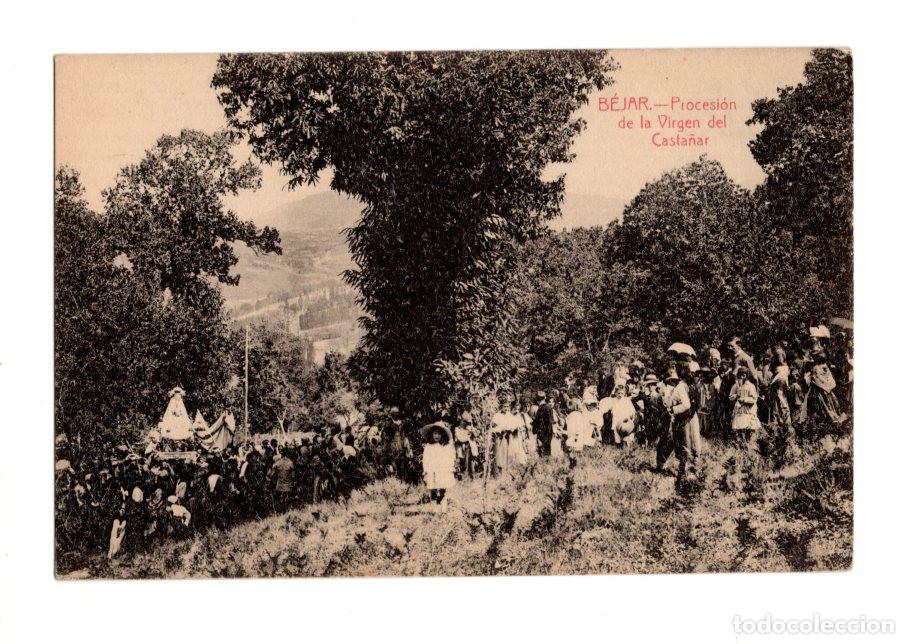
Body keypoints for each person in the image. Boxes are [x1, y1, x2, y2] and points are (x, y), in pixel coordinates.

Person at [422, 425, 456, 512]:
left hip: (442, 470)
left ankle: (443, 506)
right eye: (435, 433)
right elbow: (425, 458)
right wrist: (425, 469)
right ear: (432, 434)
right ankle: (434, 508)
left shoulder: (445, 446)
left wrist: (450, 467)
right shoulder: (429, 446)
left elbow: (450, 457)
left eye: (439, 434)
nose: (437, 436)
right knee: (433, 489)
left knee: (442, 488)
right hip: (432, 469)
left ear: (443, 435)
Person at [729, 366, 762, 449]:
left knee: (750, 429)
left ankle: (750, 446)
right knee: (739, 430)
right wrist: (736, 396)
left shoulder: (751, 386)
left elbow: (753, 399)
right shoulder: (737, 385)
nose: (742, 376)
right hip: (740, 411)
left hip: (748, 411)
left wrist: (744, 399)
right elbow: (730, 396)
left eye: (744, 374)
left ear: (747, 375)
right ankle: (741, 446)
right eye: (740, 374)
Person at [532, 391, 555, 457]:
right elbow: (550, 420)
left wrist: (535, 427)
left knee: (542, 452)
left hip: (542, 434)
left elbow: (540, 423)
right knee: (548, 450)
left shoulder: (541, 408)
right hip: (549, 431)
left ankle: (544, 464)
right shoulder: (549, 407)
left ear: (537, 400)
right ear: (544, 398)